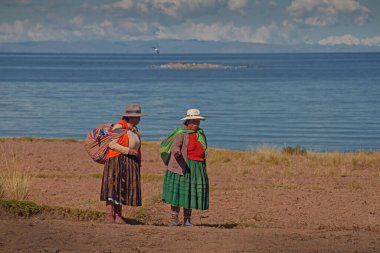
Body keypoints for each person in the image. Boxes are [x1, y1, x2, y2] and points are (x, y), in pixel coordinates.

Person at [162, 108, 209, 226]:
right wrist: (177, 152)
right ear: (187, 122)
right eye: (193, 121)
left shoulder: (200, 134)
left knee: (190, 193)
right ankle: (174, 220)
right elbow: (175, 146)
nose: (196, 124)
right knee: (178, 193)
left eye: (197, 121)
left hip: (196, 167)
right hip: (182, 166)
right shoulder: (181, 133)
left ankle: (187, 220)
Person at [100, 103, 144, 224]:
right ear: (130, 117)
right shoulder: (119, 127)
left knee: (122, 188)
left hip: (128, 161)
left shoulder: (134, 129)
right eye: (138, 117)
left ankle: (118, 216)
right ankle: (109, 215)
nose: (140, 119)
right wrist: (128, 150)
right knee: (113, 187)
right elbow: (111, 144)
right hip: (116, 160)